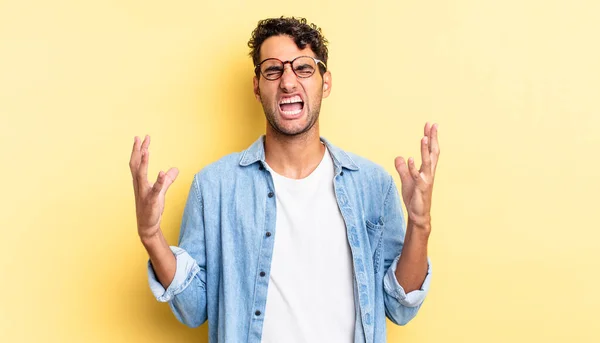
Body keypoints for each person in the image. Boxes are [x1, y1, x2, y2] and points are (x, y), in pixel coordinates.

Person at [129, 16, 440, 343]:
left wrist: (420, 223)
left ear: (326, 82)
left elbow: (399, 306)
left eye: (303, 68)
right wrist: (151, 235)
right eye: (273, 70)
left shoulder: (373, 185)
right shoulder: (214, 187)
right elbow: (193, 310)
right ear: (256, 86)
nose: (288, 82)